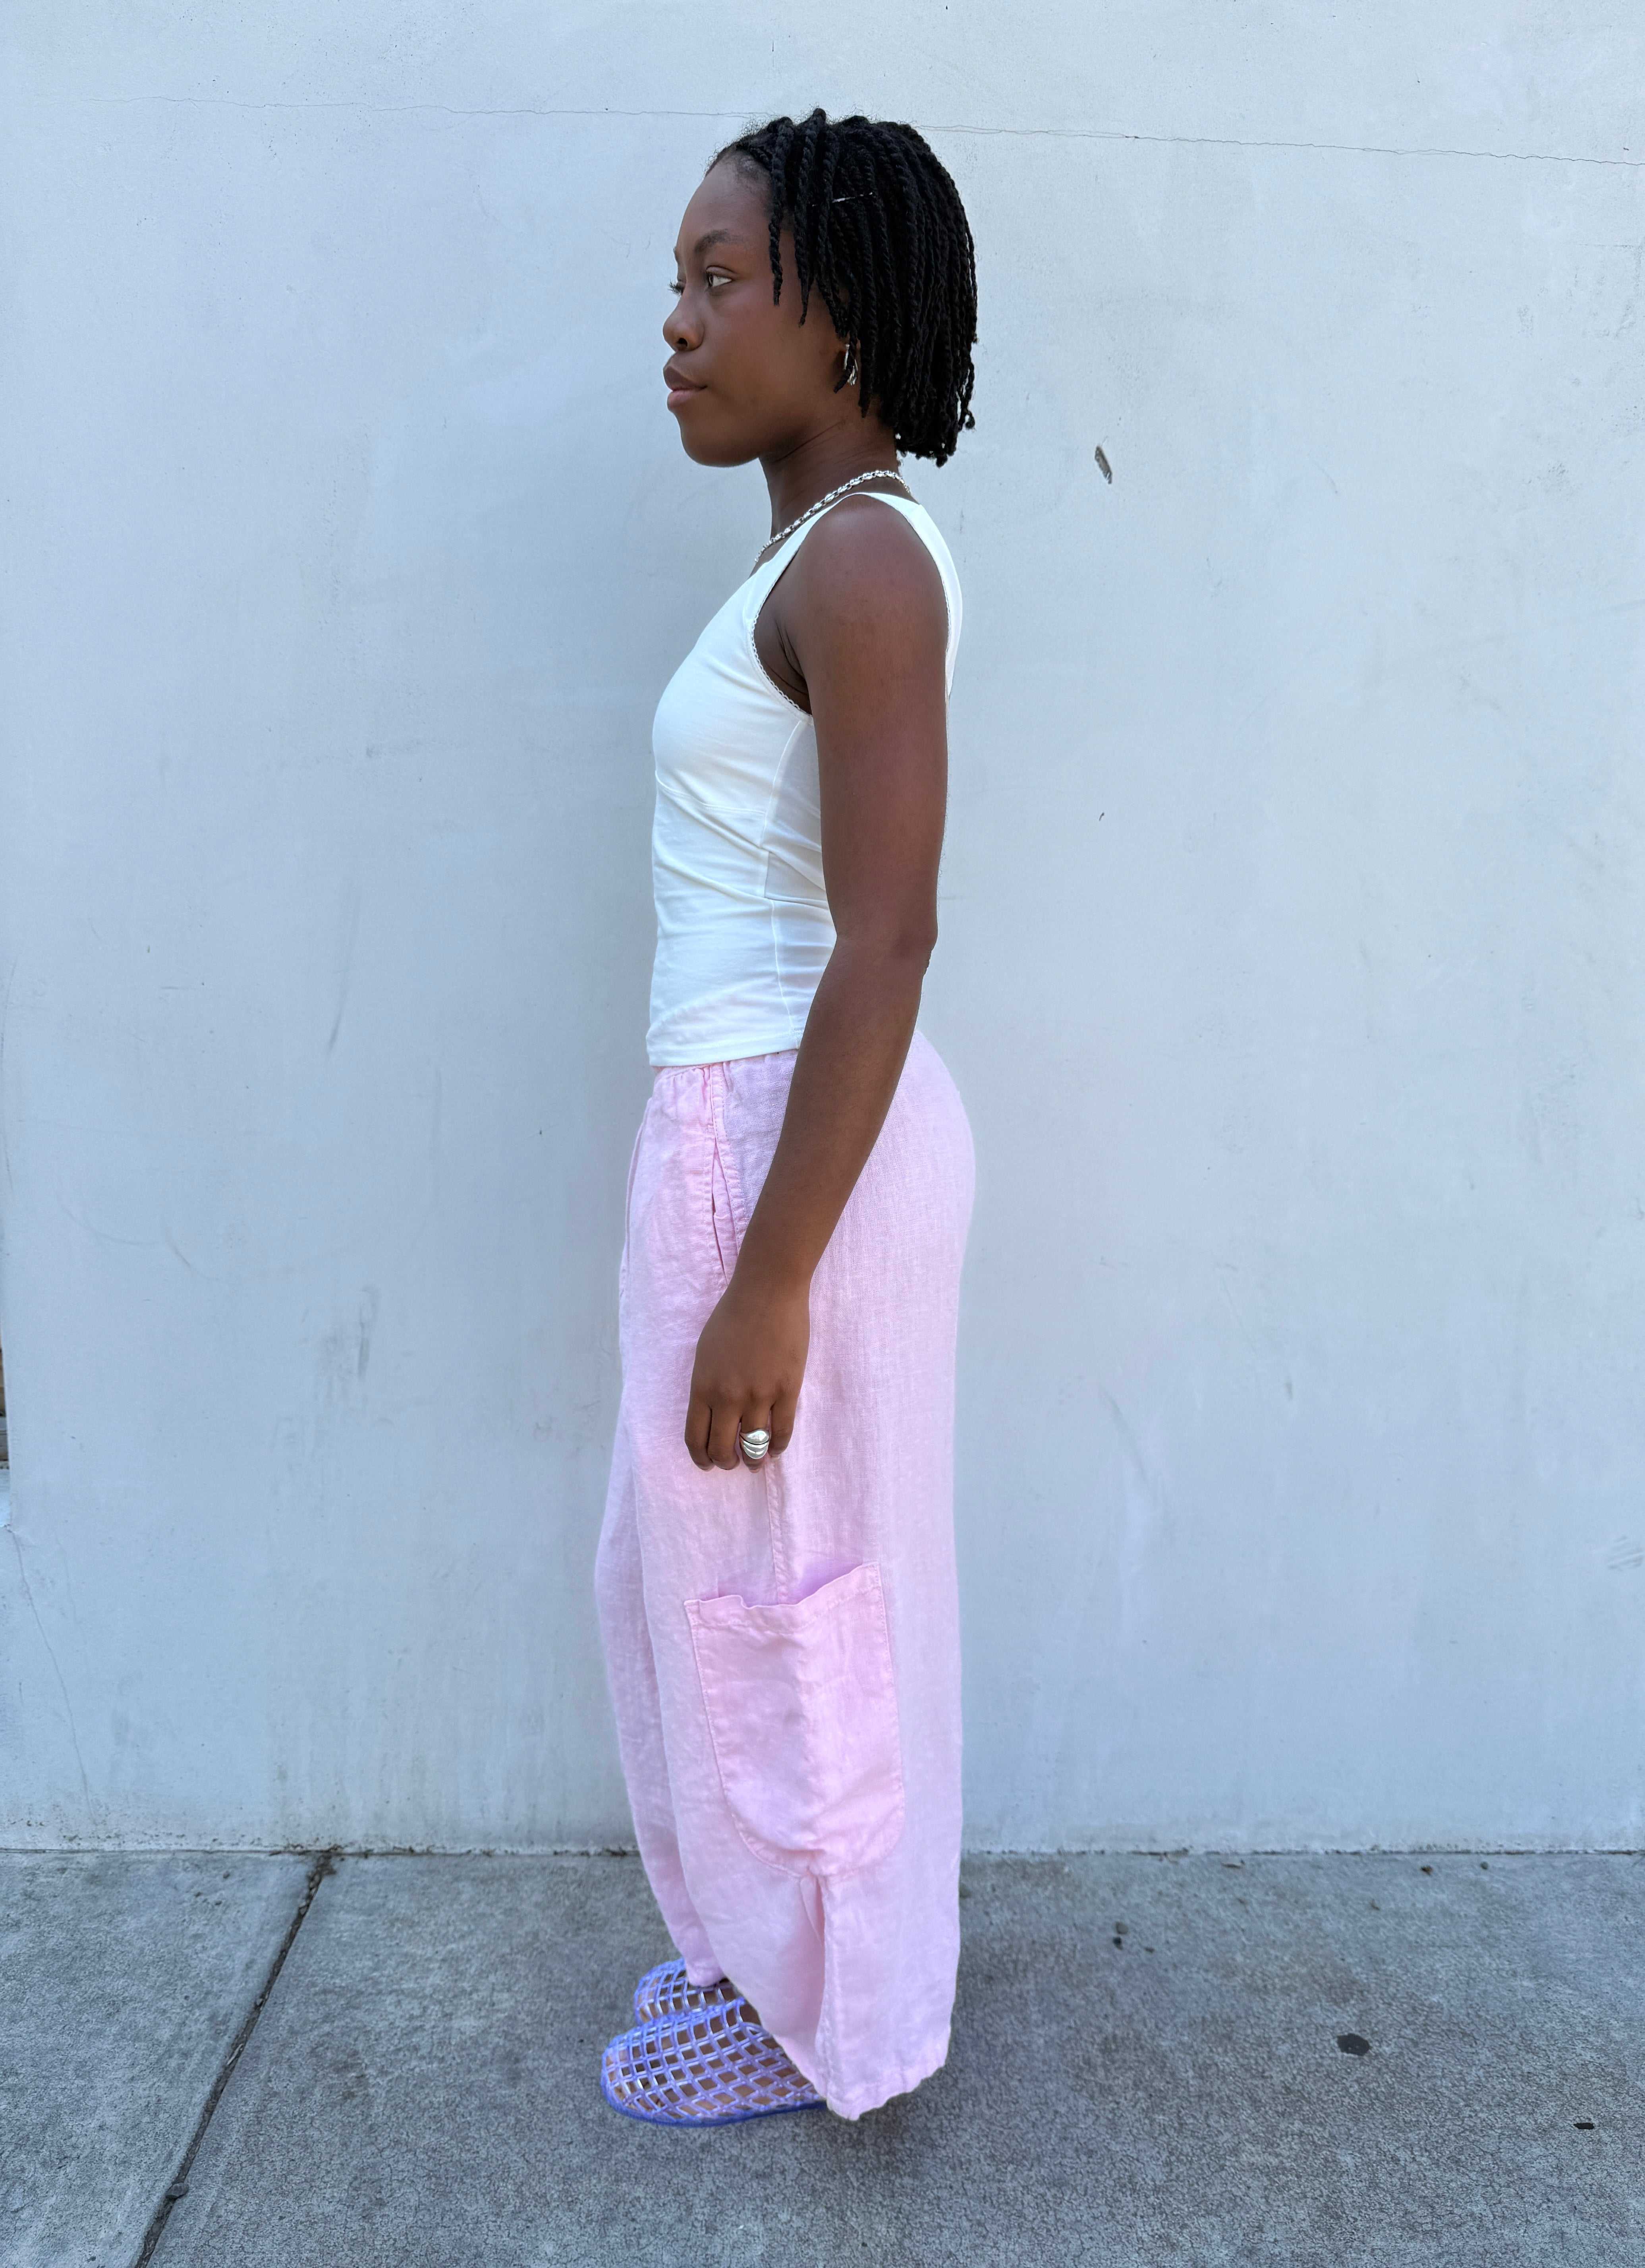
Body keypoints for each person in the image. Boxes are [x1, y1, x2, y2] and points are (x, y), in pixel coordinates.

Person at [594, 108, 978, 2126]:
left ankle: (830, 2015)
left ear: (841, 320)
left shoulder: (864, 564)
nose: (677, 323)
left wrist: (769, 1279)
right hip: (749, 1127)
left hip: (783, 1145)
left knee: (792, 1604)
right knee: (711, 1575)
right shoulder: (812, 555)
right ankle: (778, 1950)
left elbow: (887, 938)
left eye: (720, 279)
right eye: (677, 282)